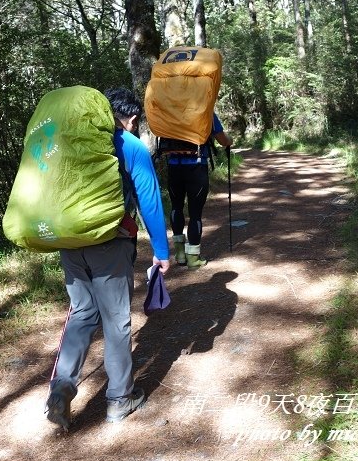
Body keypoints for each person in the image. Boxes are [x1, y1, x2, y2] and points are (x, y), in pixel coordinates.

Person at [45, 87, 171, 430]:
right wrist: (161, 251)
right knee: (116, 319)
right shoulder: (129, 146)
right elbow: (149, 200)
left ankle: (61, 386)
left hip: (69, 241)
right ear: (130, 118)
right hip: (110, 243)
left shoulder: (68, 145)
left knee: (82, 312)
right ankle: (120, 398)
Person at [168, 113, 232, 269]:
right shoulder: (205, 108)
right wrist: (230, 141)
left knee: (176, 206)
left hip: (173, 166)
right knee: (195, 213)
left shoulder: (169, 108)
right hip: (197, 166)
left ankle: (180, 254)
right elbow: (221, 138)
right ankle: (193, 258)